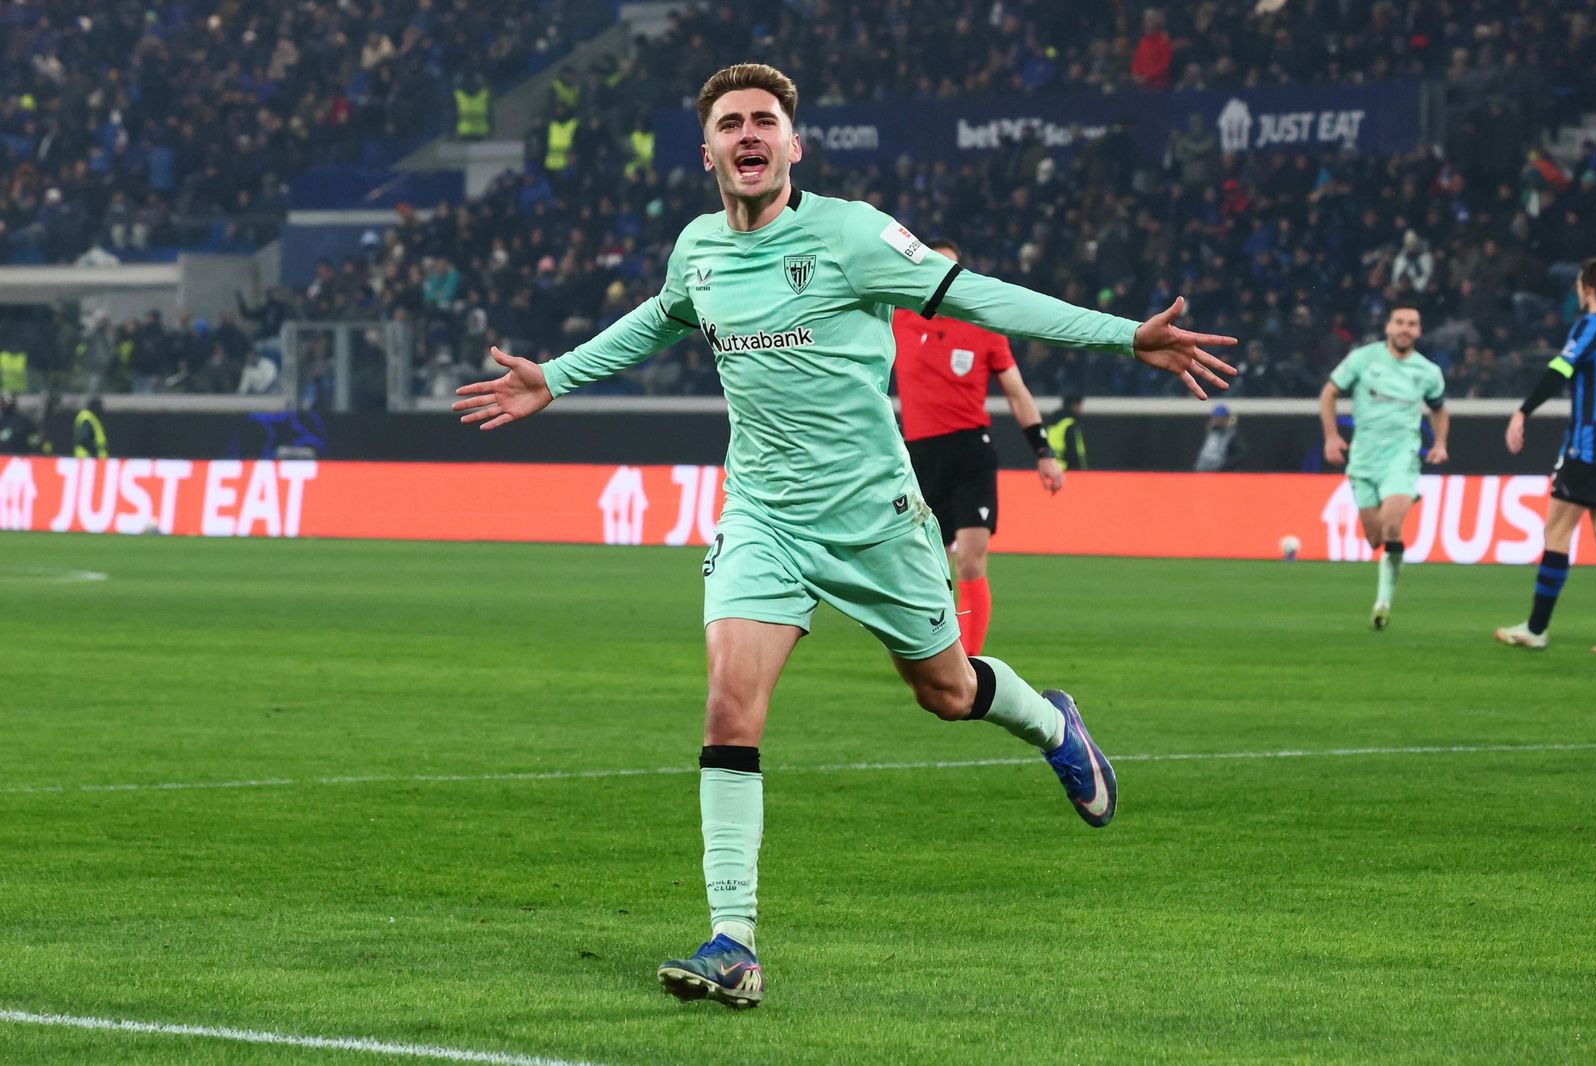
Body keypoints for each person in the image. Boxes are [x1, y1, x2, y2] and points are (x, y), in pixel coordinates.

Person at [453, 63, 1235, 1010]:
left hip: (874, 519)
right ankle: (734, 942)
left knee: (947, 692)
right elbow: (660, 319)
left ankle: (1052, 723)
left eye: (765, 121)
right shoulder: (697, 248)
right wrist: (557, 376)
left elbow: (982, 298)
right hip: (762, 517)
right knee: (728, 709)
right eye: (731, 123)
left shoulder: (853, 235)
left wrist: (1124, 336)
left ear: (795, 144)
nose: (749, 134)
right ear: (706, 152)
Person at [891, 238, 1063, 656]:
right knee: (928, 569)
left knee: (970, 560)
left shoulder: (983, 327)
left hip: (971, 452)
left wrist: (1043, 451)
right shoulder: (897, 318)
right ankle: (937, 655)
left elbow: (1017, 392)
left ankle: (969, 664)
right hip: (919, 458)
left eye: (952, 269)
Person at [1319, 305, 1448, 630]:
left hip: (1402, 457)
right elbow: (1329, 393)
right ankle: (1398, 513)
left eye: (1412, 324)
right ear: (1388, 327)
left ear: (1419, 331)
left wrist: (1440, 443)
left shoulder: (1428, 371)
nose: (1405, 328)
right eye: (1400, 322)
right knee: (1375, 539)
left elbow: (1439, 409)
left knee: (1392, 528)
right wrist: (1331, 437)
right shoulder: (1363, 359)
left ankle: (1383, 603)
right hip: (1363, 459)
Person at [1495, 258, 1596, 649]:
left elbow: (1560, 369)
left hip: (1588, 446)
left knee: (1557, 531)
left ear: (1588, 288)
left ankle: (1536, 629)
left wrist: (1523, 411)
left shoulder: (1591, 326)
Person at [1193, 403, 1246, 471]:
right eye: (1215, 417)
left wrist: (1224, 466)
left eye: (1219, 417)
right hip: (1202, 470)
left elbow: (1240, 455)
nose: (1216, 420)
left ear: (1226, 418)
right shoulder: (1210, 433)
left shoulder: (1232, 434)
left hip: (1220, 472)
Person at [1046, 394, 1088, 470]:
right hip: (1068, 470)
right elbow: (1073, 451)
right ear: (1074, 406)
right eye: (1080, 406)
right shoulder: (1070, 424)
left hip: (1052, 468)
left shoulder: (1052, 424)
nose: (1082, 409)